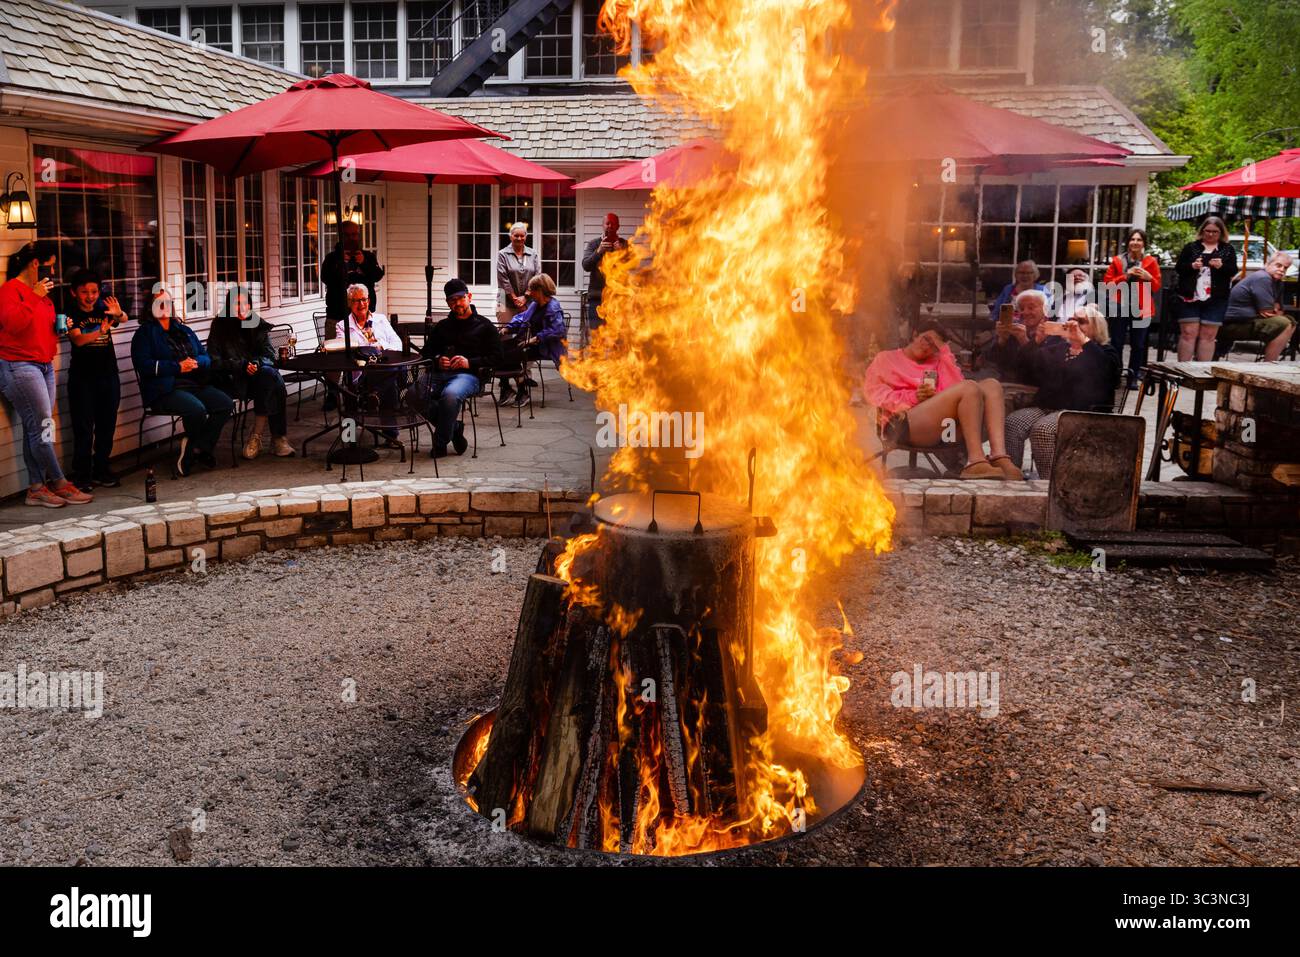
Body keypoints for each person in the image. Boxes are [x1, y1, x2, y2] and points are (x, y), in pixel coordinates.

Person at [863, 323, 1023, 480]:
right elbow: (874, 393)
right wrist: (913, 397)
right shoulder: (886, 358)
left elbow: (959, 388)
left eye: (934, 345)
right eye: (926, 339)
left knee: (991, 386)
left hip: (944, 428)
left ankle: (999, 456)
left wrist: (944, 353)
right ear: (914, 335)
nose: (927, 347)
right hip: (901, 425)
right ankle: (975, 461)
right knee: (969, 387)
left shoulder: (938, 361)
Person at [0, 241, 94, 507]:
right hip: (19, 366)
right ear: (34, 264)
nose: (52, 273)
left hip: (43, 365)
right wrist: (35, 295)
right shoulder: (10, 291)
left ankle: (36, 488)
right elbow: (14, 325)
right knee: (42, 428)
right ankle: (60, 482)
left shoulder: (41, 294)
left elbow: (38, 328)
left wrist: (60, 327)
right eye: (50, 266)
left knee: (37, 427)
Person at [1003, 305, 1120, 480]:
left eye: (1081, 321)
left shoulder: (1104, 351)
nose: (1073, 324)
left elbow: (1108, 372)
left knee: (1042, 430)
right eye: (1072, 319)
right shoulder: (1058, 349)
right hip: (1047, 407)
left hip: (1083, 411)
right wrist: (1036, 341)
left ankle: (1049, 483)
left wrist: (1083, 341)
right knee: (1013, 422)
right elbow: (1025, 371)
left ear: (1097, 327)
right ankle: (1012, 477)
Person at [131, 288, 232, 477]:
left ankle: (198, 448)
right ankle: (189, 456)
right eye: (158, 303)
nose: (164, 307)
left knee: (224, 404)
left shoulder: (183, 330)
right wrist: (177, 367)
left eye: (167, 302)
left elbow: (205, 357)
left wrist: (195, 363)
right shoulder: (144, 334)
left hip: (193, 384)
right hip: (164, 389)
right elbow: (143, 365)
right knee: (197, 409)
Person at [206, 290, 295, 460]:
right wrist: (242, 366)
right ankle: (277, 439)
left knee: (268, 376)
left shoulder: (255, 323)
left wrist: (255, 363)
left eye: (245, 303)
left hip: (257, 378)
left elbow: (269, 355)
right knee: (274, 381)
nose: (241, 308)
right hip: (231, 380)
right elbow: (214, 361)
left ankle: (257, 436)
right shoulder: (220, 325)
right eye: (236, 304)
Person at [422, 278, 503, 458]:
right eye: (452, 300)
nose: (457, 303)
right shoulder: (442, 326)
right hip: (440, 373)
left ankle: (441, 443)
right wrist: (437, 359)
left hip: (469, 376)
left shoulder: (485, 325)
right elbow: (425, 352)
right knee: (413, 395)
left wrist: (470, 362)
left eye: (460, 298)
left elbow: (498, 357)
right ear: (447, 303)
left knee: (450, 395)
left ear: (469, 297)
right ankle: (454, 427)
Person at [64, 269, 124, 492]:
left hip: (109, 376)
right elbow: (78, 340)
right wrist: (100, 331)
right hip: (82, 379)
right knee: (84, 428)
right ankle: (82, 475)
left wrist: (117, 314)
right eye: (84, 292)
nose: (90, 296)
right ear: (73, 292)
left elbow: (123, 318)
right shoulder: (70, 313)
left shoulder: (103, 308)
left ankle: (101, 469)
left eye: (94, 291)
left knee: (107, 425)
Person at [330, 283, 404, 444]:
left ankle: (374, 395)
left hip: (384, 370)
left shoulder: (381, 320)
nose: (361, 304)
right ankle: (389, 436)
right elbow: (345, 353)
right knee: (390, 382)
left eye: (363, 299)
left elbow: (397, 344)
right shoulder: (343, 326)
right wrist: (368, 349)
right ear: (350, 303)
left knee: (389, 379)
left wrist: (380, 345)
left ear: (369, 301)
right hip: (360, 376)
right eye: (356, 301)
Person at [1102, 228, 1162, 387]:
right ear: (1128, 242)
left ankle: (1133, 376)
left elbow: (1156, 287)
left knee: (1138, 344)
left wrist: (1148, 278)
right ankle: (1116, 375)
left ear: (1144, 243)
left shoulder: (1151, 262)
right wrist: (1126, 275)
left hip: (1142, 307)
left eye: (1139, 240)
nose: (1135, 242)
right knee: (1117, 342)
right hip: (1119, 305)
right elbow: (1107, 285)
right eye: (1132, 239)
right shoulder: (1117, 261)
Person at [498, 273, 567, 408]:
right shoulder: (535, 304)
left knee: (512, 355)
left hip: (544, 346)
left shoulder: (553, 307)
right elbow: (521, 318)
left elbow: (558, 330)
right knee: (499, 349)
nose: (528, 293)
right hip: (528, 342)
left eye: (531, 290)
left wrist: (535, 338)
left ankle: (522, 392)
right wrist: (507, 328)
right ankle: (507, 388)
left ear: (540, 290)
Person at [1175, 216, 1238, 361]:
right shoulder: (1191, 247)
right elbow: (1179, 268)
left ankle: (1202, 374)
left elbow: (1233, 271)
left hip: (1216, 298)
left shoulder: (1227, 250)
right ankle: (1182, 372)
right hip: (1190, 296)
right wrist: (1192, 266)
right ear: (1202, 231)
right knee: (1188, 333)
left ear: (1221, 233)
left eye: (1215, 232)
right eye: (1207, 231)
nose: (1210, 234)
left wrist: (1221, 266)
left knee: (1208, 336)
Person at [1221, 252, 1296, 361]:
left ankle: (1271, 361)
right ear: (1267, 264)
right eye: (1278, 265)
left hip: (1249, 320)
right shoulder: (1262, 277)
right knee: (1284, 323)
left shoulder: (1278, 282)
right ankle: (1268, 364)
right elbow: (1268, 310)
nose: (1282, 270)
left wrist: (1271, 309)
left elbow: (1279, 309)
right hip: (1232, 324)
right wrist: (1269, 308)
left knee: (1291, 321)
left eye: (1285, 268)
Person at [322, 220, 385, 341]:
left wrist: (364, 263)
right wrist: (341, 264)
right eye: (347, 235)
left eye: (354, 234)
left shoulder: (368, 256)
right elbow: (325, 278)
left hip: (364, 316)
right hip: (337, 315)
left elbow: (377, 276)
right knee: (335, 356)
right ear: (340, 236)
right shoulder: (332, 258)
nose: (351, 238)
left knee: (367, 350)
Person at [982, 289, 1051, 384]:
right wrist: (1002, 340)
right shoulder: (1013, 330)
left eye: (1031, 308)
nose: (1025, 312)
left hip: (1038, 388)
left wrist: (1024, 341)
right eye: (1021, 309)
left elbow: (1044, 369)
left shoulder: (1052, 333)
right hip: (1009, 386)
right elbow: (991, 361)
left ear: (1045, 310)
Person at [581, 212, 628, 332]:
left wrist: (621, 254)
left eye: (613, 224)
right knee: (597, 336)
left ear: (618, 226)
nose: (610, 226)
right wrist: (599, 251)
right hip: (597, 299)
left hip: (618, 298)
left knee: (617, 338)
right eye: (607, 223)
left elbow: (629, 268)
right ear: (603, 225)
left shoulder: (624, 244)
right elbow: (586, 266)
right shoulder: (594, 244)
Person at [496, 222, 541, 325]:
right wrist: (517, 301)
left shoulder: (533, 254)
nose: (519, 238)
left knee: (525, 335)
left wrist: (525, 297)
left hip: (528, 301)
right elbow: (503, 280)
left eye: (522, 236)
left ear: (526, 237)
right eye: (516, 235)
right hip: (504, 300)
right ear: (510, 236)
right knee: (504, 333)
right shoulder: (502, 254)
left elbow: (537, 277)